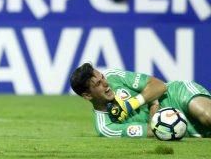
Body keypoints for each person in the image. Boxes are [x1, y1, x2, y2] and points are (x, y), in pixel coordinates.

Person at [70, 63, 211, 138]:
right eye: (98, 84)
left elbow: (159, 86)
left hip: (176, 95)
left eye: (102, 78)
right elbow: (152, 131)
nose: (106, 84)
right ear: (87, 95)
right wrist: (153, 104)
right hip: (169, 124)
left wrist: (130, 105)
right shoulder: (106, 127)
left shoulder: (113, 76)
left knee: (207, 117)